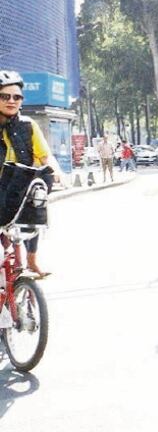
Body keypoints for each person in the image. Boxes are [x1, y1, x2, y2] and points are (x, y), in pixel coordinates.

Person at [0, 70, 63, 278]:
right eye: (5, 96)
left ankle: (31, 261)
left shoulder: (28, 126)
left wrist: (57, 172)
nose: (11, 101)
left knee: (36, 204)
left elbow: (45, 156)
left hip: (18, 190)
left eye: (17, 97)